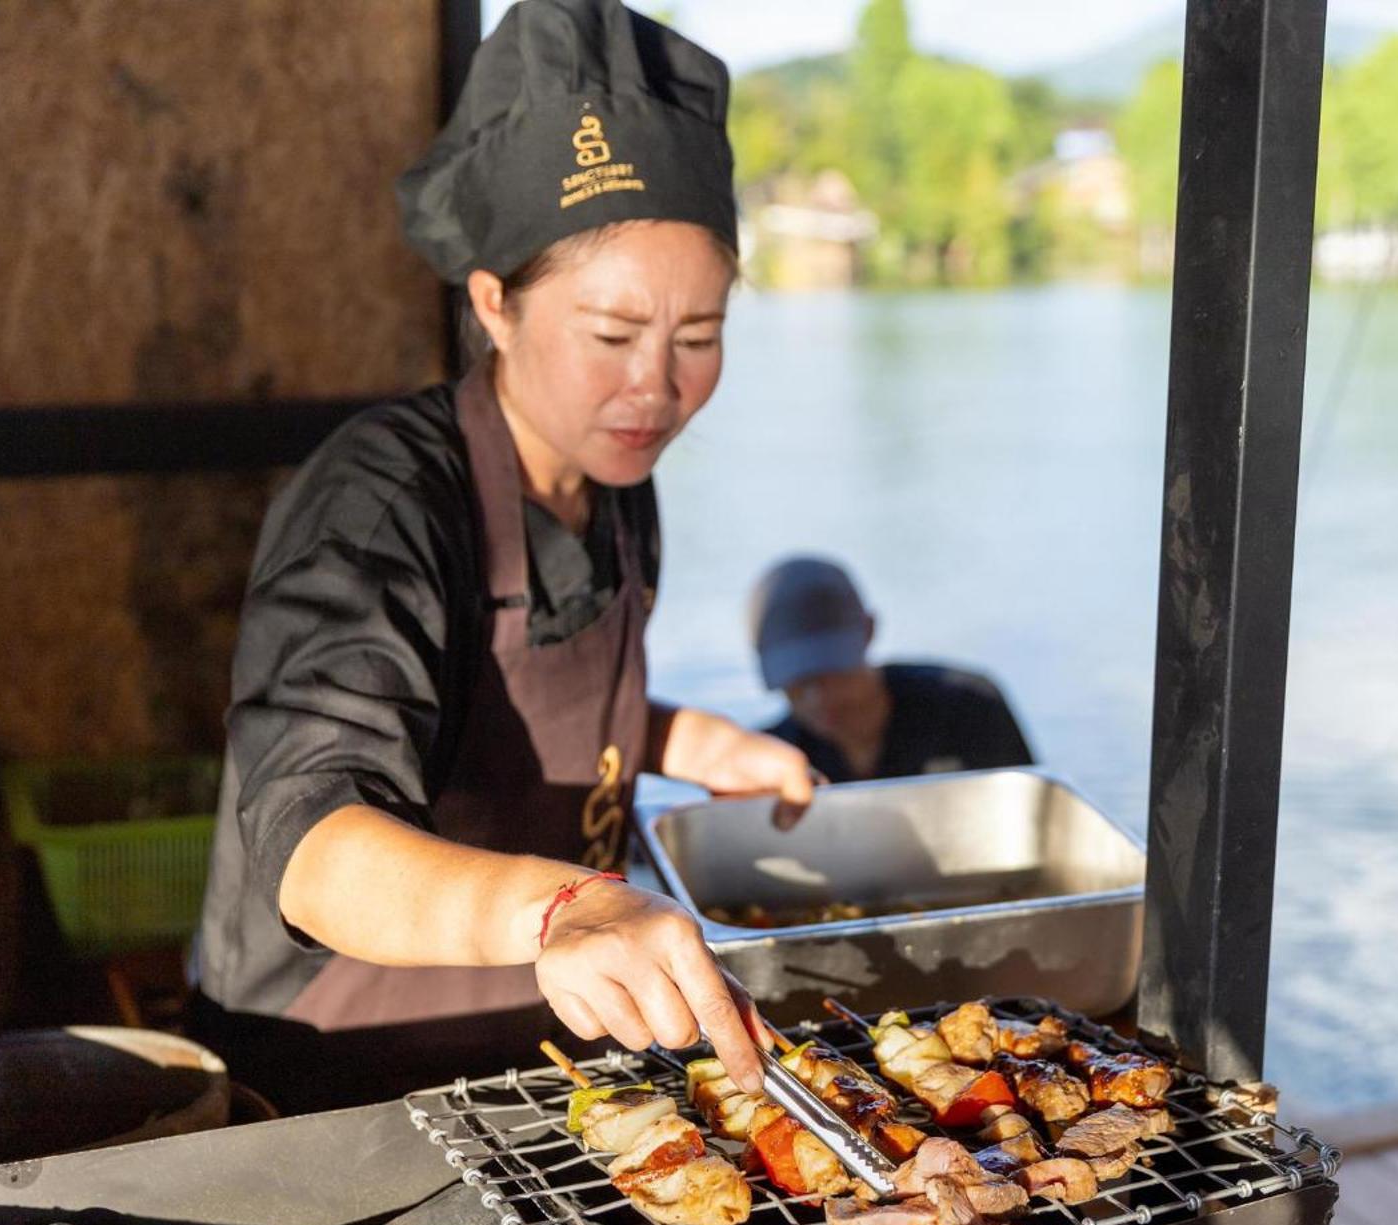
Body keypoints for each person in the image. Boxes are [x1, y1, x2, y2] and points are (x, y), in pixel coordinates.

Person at [189, 0, 809, 1112]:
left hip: (534, 1056)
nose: (657, 389)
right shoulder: (379, 502)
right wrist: (565, 910)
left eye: (700, 336)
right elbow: (317, 846)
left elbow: (496, 712)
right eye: (613, 335)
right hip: (335, 1079)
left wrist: (685, 736)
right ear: (496, 305)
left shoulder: (613, 478)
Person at [749, 556, 1035, 783]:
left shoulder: (971, 709)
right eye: (797, 684)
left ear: (869, 631)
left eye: (830, 674)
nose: (817, 699)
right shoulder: (768, 758)